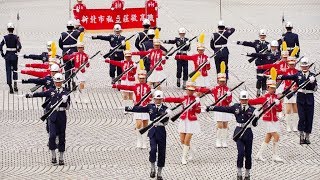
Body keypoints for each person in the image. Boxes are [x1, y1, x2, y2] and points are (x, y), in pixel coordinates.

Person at [206, 90, 258, 180]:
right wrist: (210, 108)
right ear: (239, 99)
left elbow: (254, 124)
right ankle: (239, 172)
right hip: (239, 133)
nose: (244, 101)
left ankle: (247, 173)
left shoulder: (252, 109)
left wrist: (256, 117)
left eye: (245, 100)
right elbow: (224, 109)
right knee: (240, 153)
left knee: (248, 154)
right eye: (242, 100)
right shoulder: (236, 107)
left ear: (248, 100)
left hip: (248, 132)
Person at [125, 90, 172, 180]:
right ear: (154, 99)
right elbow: (140, 109)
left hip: (161, 131)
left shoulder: (166, 109)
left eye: (159, 99)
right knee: (153, 149)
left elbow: (166, 122)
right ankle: (152, 168)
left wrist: (167, 115)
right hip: (152, 131)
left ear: (162, 99)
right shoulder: (150, 107)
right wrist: (128, 108)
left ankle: (159, 173)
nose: (157, 101)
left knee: (162, 152)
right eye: (156, 99)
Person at [25, 73, 71, 165]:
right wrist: (31, 95)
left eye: (59, 82)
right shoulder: (51, 91)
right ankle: (53, 155)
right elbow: (41, 93)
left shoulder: (66, 92)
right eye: (56, 82)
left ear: (62, 82)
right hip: (53, 115)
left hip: (62, 116)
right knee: (52, 136)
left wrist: (65, 101)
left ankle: (61, 157)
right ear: (54, 82)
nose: (58, 83)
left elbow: (68, 107)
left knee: (62, 137)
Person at [278, 57, 318, 144]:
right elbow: (288, 76)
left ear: (308, 67)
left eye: (306, 66)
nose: (304, 68)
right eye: (303, 66)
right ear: (301, 67)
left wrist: (313, 82)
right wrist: (278, 76)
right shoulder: (298, 75)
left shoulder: (312, 75)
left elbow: (315, 89)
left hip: (310, 98)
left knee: (309, 118)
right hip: (300, 98)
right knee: (302, 117)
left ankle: (307, 136)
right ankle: (301, 135)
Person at [163, 81, 201, 165]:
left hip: (192, 121)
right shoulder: (183, 98)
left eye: (191, 90)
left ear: (194, 91)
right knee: (182, 140)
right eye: (188, 90)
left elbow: (198, 111)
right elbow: (174, 99)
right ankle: (192, 150)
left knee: (187, 140)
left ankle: (183, 157)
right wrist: (163, 99)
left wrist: (197, 104)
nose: (189, 92)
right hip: (183, 120)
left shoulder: (196, 100)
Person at [112, 70, 152, 148]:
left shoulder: (148, 87)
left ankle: (144, 142)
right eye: (140, 78)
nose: (142, 80)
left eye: (143, 78)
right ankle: (139, 140)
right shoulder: (135, 86)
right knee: (138, 124)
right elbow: (126, 87)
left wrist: (152, 93)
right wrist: (116, 86)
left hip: (145, 108)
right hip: (137, 108)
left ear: (145, 78)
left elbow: (151, 98)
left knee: (145, 125)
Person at [248, 79, 283, 162]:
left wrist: (278, 104)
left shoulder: (277, 98)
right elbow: (253, 102)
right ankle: (275, 155)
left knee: (268, 137)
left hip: (274, 119)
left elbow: (279, 110)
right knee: (276, 136)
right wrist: (245, 99)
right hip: (267, 119)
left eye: (274, 88)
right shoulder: (264, 97)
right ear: (267, 88)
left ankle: (259, 154)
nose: (273, 90)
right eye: (271, 88)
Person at [197, 70, 232, 148]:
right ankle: (218, 140)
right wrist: (197, 89)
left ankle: (224, 140)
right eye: (220, 81)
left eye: (223, 81)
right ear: (218, 81)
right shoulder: (215, 88)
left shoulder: (228, 90)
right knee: (220, 125)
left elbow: (229, 101)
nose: (222, 83)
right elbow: (207, 91)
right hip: (218, 108)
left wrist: (228, 97)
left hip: (226, 109)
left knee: (225, 125)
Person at [236, 29, 269, 96]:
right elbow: (248, 43)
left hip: (265, 63)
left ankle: (264, 92)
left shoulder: (268, 44)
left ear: (265, 36)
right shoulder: (256, 43)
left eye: (263, 35)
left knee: (265, 77)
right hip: (258, 62)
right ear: (259, 35)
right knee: (259, 77)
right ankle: (258, 90)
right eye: (261, 35)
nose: (262, 36)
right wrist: (239, 42)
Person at [276, 56, 298, 132]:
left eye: (293, 64)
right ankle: (288, 126)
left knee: (295, 109)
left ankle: (295, 126)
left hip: (295, 91)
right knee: (288, 110)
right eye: (290, 64)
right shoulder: (285, 71)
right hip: (288, 91)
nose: (291, 65)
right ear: (288, 64)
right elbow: (277, 75)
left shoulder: (298, 72)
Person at [0, 22, 22, 93]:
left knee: (8, 71)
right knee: (15, 70)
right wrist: (18, 46)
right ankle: (15, 85)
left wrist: (2, 54)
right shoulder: (16, 37)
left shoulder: (5, 37)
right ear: (13, 29)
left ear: (7, 29)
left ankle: (10, 87)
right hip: (15, 56)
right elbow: (19, 47)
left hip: (8, 56)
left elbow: (0, 46)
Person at [59, 20, 80, 90]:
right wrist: (76, 28)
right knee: (74, 69)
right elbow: (82, 29)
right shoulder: (76, 33)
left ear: (67, 27)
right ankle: (74, 83)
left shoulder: (62, 34)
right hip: (74, 53)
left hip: (65, 54)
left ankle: (67, 85)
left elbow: (60, 44)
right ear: (73, 27)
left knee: (67, 70)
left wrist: (64, 50)